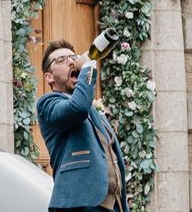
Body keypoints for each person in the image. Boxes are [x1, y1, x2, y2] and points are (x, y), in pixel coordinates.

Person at [37, 39, 129, 212]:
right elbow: (77, 108)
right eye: (61, 60)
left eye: (73, 57)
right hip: (80, 204)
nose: (71, 61)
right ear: (49, 77)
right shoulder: (48, 103)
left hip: (112, 206)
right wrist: (87, 68)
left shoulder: (91, 108)